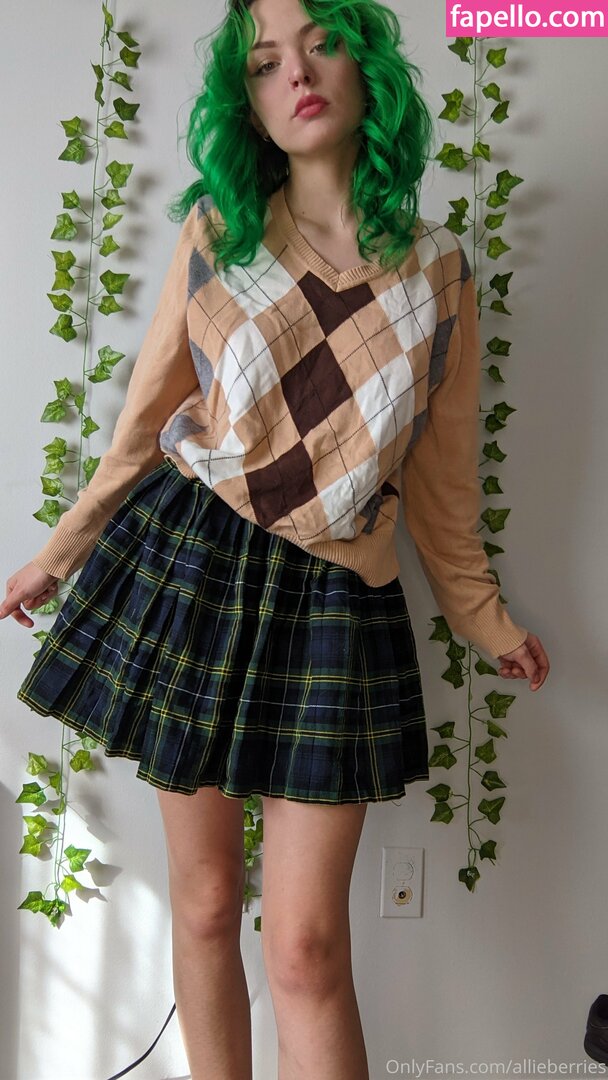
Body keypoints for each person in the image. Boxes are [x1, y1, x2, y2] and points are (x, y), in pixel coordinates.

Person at [1, 0, 550, 1076]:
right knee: (206, 903)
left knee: (304, 949)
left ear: (365, 67)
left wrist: (484, 620)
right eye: (264, 63)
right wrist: (60, 552)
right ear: (245, 102)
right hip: (195, 570)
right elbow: (142, 424)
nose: (296, 73)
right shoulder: (221, 234)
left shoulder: (438, 270)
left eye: (320, 44)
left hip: (337, 603)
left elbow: (440, 482)